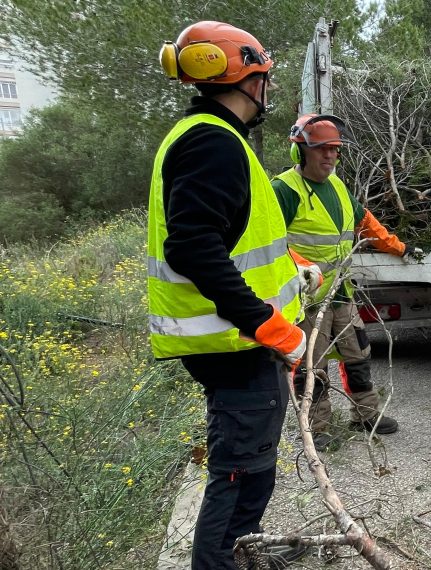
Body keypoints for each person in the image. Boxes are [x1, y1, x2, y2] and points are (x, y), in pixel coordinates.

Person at [149, 21, 308, 568]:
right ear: (250, 78)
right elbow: (193, 247)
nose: (267, 89)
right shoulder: (213, 142)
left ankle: (242, 553)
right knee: (239, 475)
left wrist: (295, 269)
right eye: (264, 76)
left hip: (235, 342)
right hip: (235, 344)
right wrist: (266, 322)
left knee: (253, 466)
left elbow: (233, 236)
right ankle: (222, 561)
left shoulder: (209, 137)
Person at [272, 114, 415, 452]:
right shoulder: (284, 190)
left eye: (335, 150)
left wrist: (398, 247)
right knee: (312, 366)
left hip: (340, 293)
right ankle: (315, 427)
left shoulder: (337, 186)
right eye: (322, 149)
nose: (330, 156)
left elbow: (364, 222)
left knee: (359, 356)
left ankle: (366, 415)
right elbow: (271, 243)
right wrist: (305, 269)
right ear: (301, 151)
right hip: (307, 301)